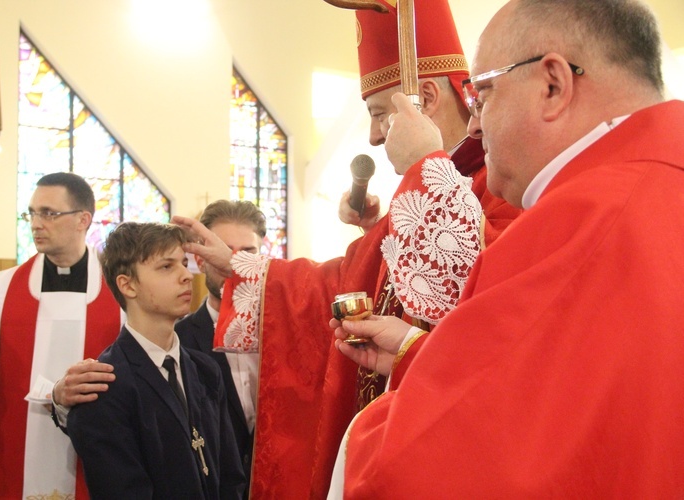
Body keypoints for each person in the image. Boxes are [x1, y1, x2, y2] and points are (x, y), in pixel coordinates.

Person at [330, 0, 684, 496]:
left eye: (485, 94)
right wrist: (419, 353)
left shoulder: (579, 223)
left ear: (553, 86)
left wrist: (362, 447)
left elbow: (444, 459)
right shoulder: (653, 187)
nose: (476, 125)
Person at [177, 2, 521, 498]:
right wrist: (238, 264)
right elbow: (341, 282)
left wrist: (423, 171)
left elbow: (493, 297)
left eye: (380, 114)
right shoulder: (441, 187)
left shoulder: (501, 182)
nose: (374, 136)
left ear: (424, 95)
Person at [0, 172, 122, 498]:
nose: (36, 223)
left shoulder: (120, 292)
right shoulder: (4, 289)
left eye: (48, 213)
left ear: (83, 220)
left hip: (98, 457)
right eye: (32, 213)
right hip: (14, 460)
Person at [66, 222, 245, 499]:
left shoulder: (206, 369)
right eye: (166, 266)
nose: (186, 275)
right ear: (127, 285)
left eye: (184, 263)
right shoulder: (104, 388)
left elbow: (231, 477)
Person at [174, 200, 265, 498]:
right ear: (200, 260)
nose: (232, 263)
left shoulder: (288, 335)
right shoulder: (177, 340)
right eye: (223, 250)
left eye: (247, 254)